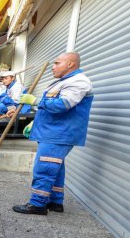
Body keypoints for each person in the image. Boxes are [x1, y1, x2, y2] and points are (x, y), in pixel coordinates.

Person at [12, 52, 93, 215]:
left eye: (57, 63)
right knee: (55, 167)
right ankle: (55, 202)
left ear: (70, 64)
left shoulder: (79, 81)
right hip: (53, 131)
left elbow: (63, 105)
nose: (53, 67)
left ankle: (38, 204)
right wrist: (35, 121)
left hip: (60, 133)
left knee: (45, 167)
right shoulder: (64, 82)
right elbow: (51, 107)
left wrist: (35, 101)